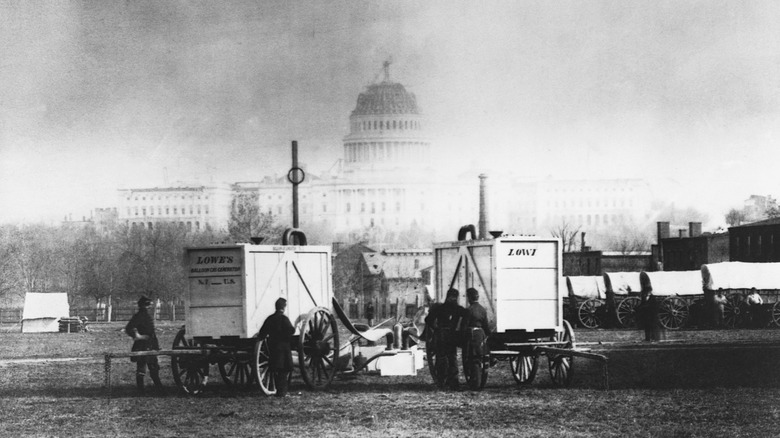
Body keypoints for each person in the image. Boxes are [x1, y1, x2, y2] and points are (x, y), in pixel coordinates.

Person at [424, 288, 467, 390]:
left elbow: (428, 319)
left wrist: (435, 328)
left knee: (443, 357)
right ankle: (453, 382)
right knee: (451, 358)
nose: (453, 299)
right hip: (451, 335)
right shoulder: (458, 309)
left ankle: (442, 381)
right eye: (453, 297)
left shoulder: (440, 308)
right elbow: (467, 314)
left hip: (441, 335)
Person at [125, 295, 163, 394]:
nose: (150, 307)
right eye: (149, 305)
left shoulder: (146, 316)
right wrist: (138, 336)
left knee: (153, 367)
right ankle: (141, 390)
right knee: (142, 369)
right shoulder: (139, 316)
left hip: (150, 344)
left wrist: (156, 345)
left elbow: (151, 333)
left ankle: (159, 389)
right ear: (145, 306)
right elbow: (129, 328)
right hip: (142, 345)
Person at [258, 297, 295, 397]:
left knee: (276, 369)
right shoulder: (284, 318)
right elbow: (291, 330)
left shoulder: (270, 318)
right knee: (283, 370)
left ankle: (278, 390)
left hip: (273, 347)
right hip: (284, 348)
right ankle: (282, 392)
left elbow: (262, 333)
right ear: (283, 307)